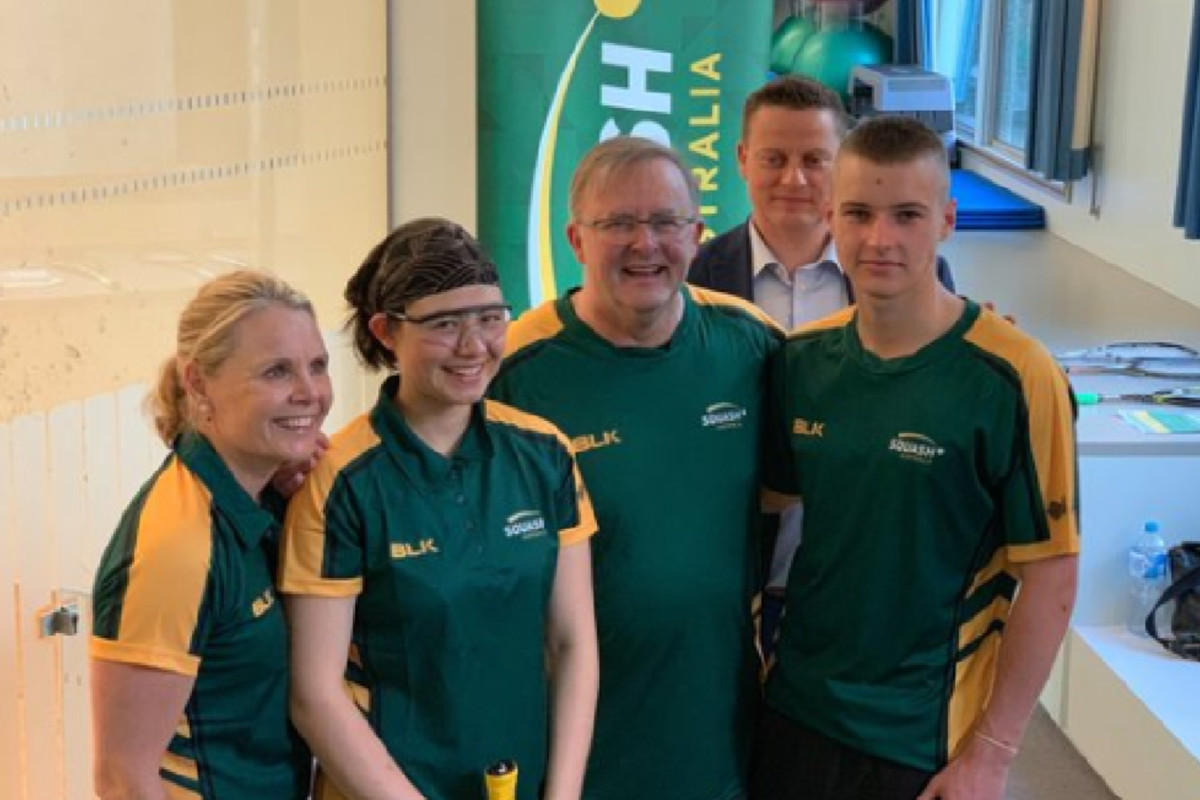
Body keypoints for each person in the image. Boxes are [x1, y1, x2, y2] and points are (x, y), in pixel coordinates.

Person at [756, 115, 1079, 800]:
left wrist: (992, 754)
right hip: (796, 711)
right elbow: (767, 518)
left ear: (947, 220)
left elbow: (1051, 577)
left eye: (907, 214)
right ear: (830, 218)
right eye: (859, 214)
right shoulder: (801, 362)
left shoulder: (1015, 376)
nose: (880, 239)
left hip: (927, 733)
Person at [490, 136, 782, 800]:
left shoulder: (752, 344)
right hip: (566, 734)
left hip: (715, 724)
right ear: (576, 239)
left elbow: (849, 417)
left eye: (664, 222)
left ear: (697, 235)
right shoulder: (513, 369)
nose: (644, 244)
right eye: (618, 223)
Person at [279, 218, 599, 800]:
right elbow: (315, 696)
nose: (474, 346)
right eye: (445, 324)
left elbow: (573, 643)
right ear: (385, 332)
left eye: (489, 318)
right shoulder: (342, 482)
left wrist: (564, 793)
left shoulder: (545, 454)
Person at [689, 74, 956, 652]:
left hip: (863, 568)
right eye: (773, 158)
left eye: (815, 159)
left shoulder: (907, 272)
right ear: (740, 159)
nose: (794, 178)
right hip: (734, 569)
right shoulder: (694, 277)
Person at [90, 270, 330, 799]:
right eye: (276, 372)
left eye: (317, 366)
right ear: (198, 383)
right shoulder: (176, 546)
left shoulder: (260, 499)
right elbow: (122, 777)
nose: (310, 393)